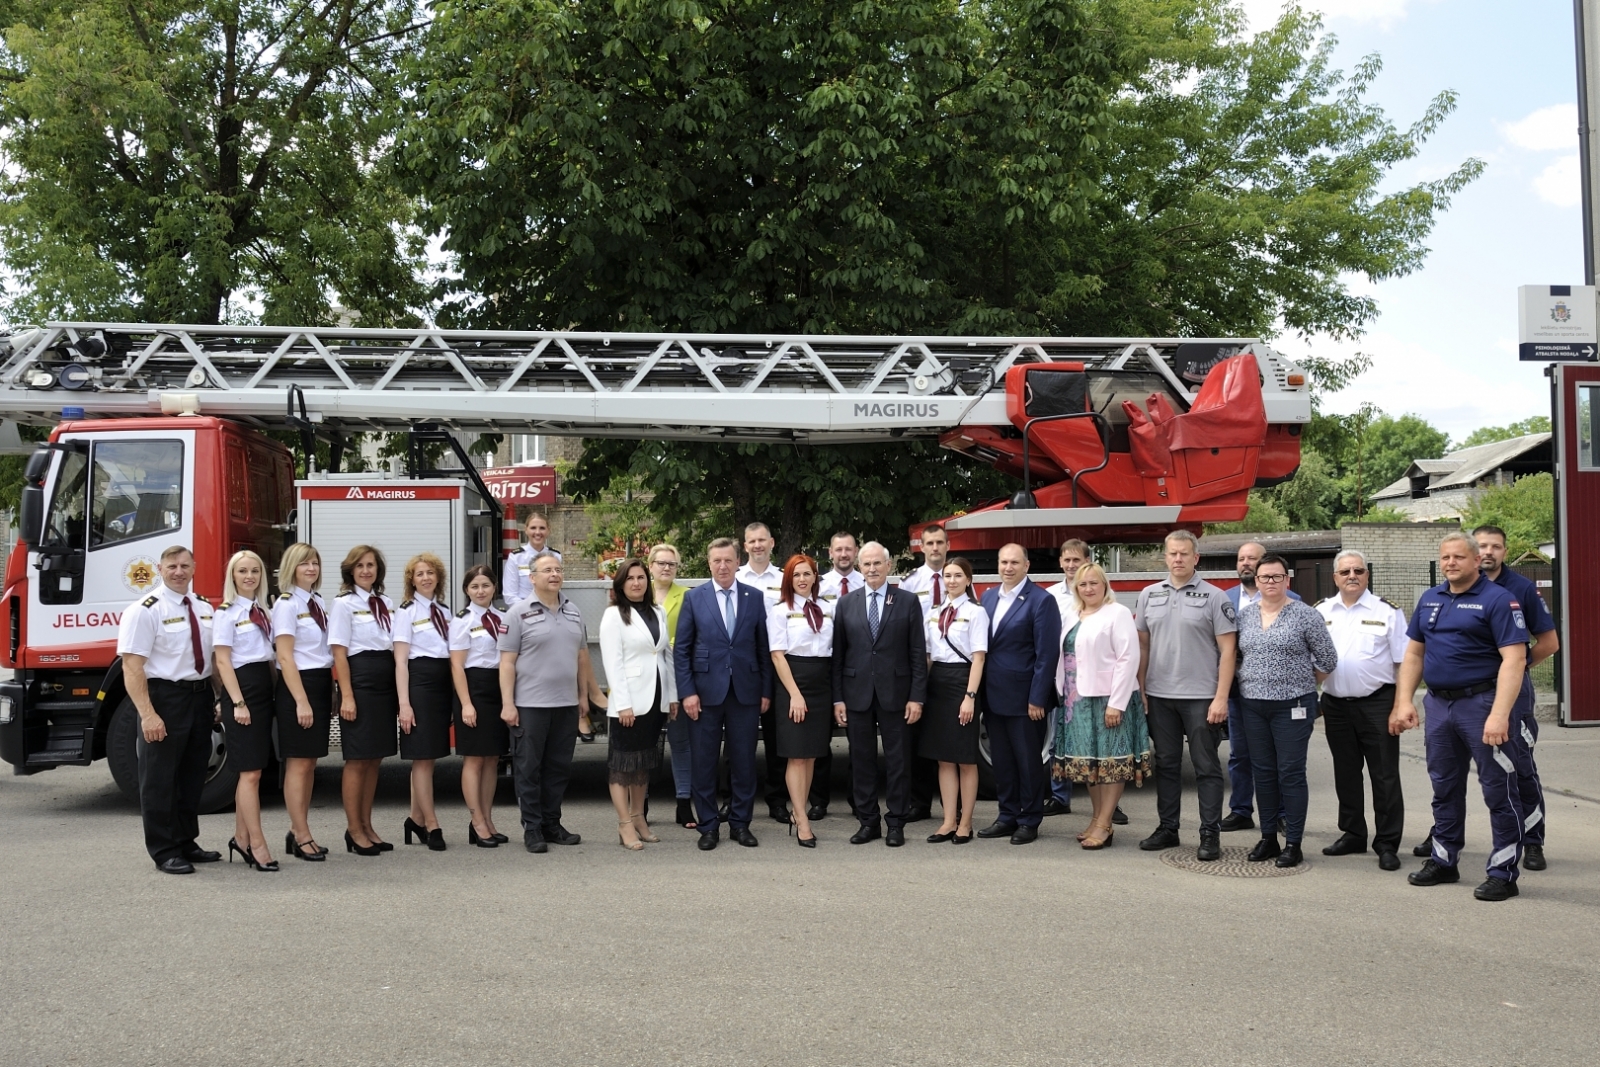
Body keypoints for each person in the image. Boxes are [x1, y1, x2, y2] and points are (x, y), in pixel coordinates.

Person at [1396, 533, 1535, 902]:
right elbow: (1413, 656)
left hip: (1483, 704)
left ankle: (1503, 873)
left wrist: (1499, 714)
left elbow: (1515, 659)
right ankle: (1444, 861)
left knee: (1499, 791)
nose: (1451, 563)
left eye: (1459, 557)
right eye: (1445, 558)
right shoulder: (1430, 599)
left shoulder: (1498, 600)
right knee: (1444, 786)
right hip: (1440, 706)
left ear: (1477, 561)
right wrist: (1403, 701)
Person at [116, 545, 220, 874]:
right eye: (172, 566)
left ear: (194, 568)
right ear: (160, 569)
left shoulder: (204, 607)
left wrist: (217, 697)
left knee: (192, 775)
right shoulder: (145, 610)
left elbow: (213, 659)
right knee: (159, 778)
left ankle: (186, 841)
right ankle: (163, 850)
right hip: (165, 698)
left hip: (200, 697)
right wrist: (148, 714)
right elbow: (132, 667)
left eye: (185, 565)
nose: (179, 571)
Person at [1135, 530, 1237, 862]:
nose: (1178, 559)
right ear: (1165, 557)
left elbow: (1228, 651)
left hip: (1201, 698)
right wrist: (1141, 689)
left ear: (1196, 558)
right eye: (1172, 553)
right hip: (1159, 696)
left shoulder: (1214, 598)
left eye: (1184, 554)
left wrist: (1221, 697)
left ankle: (1210, 833)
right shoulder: (1148, 595)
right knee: (1165, 765)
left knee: (1206, 767)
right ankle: (1168, 829)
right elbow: (1142, 646)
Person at [1234, 555, 1338, 868]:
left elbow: (1328, 659)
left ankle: (1293, 842)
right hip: (1252, 705)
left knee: (1290, 773)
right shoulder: (1245, 616)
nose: (1270, 582)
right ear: (1257, 580)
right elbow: (1237, 657)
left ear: (1286, 580)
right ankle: (1268, 837)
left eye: (1276, 577)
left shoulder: (1305, 615)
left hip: (1293, 705)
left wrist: (1304, 682)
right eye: (1264, 577)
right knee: (1263, 773)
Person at [499, 551, 601, 853]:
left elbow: (582, 658)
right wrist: (508, 703)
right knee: (529, 769)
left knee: (558, 769)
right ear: (532, 578)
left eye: (558, 570)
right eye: (547, 570)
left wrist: (583, 698)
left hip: (566, 705)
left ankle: (551, 823)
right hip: (530, 705)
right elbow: (506, 663)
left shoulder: (573, 612)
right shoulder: (517, 613)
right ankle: (532, 829)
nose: (555, 575)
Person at [674, 538, 772, 850]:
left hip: (745, 691)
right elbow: (683, 650)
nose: (722, 566)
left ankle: (741, 824)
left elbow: (762, 648)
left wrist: (766, 691)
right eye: (716, 561)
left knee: (743, 761)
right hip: (704, 694)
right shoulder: (695, 598)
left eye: (728, 560)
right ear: (709, 563)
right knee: (704, 762)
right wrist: (687, 691)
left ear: (737, 561)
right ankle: (708, 826)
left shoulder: (753, 597)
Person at [1316, 550, 1408, 871]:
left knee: (1384, 775)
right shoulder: (1321, 612)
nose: (1352, 575)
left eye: (1358, 570)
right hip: (1336, 705)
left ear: (1367, 575)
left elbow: (1404, 663)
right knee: (1346, 773)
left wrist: (1402, 704)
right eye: (1345, 572)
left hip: (1378, 703)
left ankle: (1386, 842)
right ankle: (1353, 833)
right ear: (1335, 577)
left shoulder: (1388, 612)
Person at [832, 541, 928, 847]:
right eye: (867, 564)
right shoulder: (846, 604)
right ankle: (868, 821)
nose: (872, 569)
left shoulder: (907, 601)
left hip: (897, 695)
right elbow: (838, 657)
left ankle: (896, 823)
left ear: (888, 566)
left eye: (877, 563)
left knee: (899, 761)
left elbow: (917, 653)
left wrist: (917, 696)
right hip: (856, 693)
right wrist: (838, 698)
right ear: (860, 568)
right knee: (861, 761)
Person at [1051, 563, 1151, 850]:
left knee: (1111, 764)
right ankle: (1096, 819)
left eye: (1094, 583)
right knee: (1089, 764)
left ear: (1104, 585)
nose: (1089, 589)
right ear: (1076, 588)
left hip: (1109, 699)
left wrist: (1116, 704)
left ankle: (1106, 823)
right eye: (1083, 584)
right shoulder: (1072, 613)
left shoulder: (1117, 613)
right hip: (1077, 701)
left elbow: (1128, 658)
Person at [1475, 525, 1555, 871]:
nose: (1488, 552)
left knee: (1520, 766)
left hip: (1514, 696)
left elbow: (1549, 643)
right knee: (1451, 769)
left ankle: (1533, 841)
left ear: (1504, 552)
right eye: (1481, 546)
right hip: (1468, 695)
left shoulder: (1520, 588)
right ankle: (1441, 835)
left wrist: (1517, 668)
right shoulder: (1456, 588)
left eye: (1495, 546)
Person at [976, 543, 1061, 845]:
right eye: (1003, 562)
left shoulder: (1041, 601)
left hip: (1026, 700)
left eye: (1014, 562)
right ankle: (1007, 815)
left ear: (1026, 566)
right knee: (1002, 762)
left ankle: (1029, 819)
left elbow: (1046, 654)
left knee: (1028, 763)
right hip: (994, 697)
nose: (1008, 568)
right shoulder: (987, 597)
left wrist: (1037, 697)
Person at [1222, 541, 1302, 834]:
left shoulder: (1292, 598)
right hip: (1239, 690)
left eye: (1251, 558)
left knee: (1277, 756)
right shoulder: (1225, 598)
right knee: (1240, 754)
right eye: (1241, 558)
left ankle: (1280, 813)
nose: (1245, 563)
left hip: (1278, 694)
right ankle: (1241, 810)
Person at [599, 559, 676, 850]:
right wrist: (622, 704)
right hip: (629, 702)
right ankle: (624, 824)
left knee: (643, 761)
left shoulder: (657, 611)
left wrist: (673, 696)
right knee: (622, 764)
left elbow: (665, 655)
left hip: (655, 699)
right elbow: (613, 663)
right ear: (620, 584)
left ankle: (639, 817)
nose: (636, 583)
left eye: (641, 577)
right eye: (630, 578)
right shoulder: (614, 616)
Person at [328, 545, 397, 857]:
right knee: (357, 760)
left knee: (374, 759)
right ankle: (353, 829)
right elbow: (339, 653)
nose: (366, 570)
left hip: (384, 684)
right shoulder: (343, 604)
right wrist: (347, 696)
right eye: (360, 566)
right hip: (361, 682)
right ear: (350, 571)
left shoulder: (387, 602)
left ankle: (367, 826)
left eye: (371, 565)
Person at [212, 549, 278, 872]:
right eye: (242, 572)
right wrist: (237, 702)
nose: (249, 576)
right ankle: (258, 844)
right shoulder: (226, 612)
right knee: (250, 773)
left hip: (263, 688)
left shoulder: (262, 609)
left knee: (252, 772)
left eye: (255, 571)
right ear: (233, 577)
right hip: (243, 690)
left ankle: (240, 839)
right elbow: (222, 660)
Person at [767, 554, 836, 847]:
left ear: (815, 577)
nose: (802, 580)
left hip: (821, 683)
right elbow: (777, 655)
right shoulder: (780, 610)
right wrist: (795, 694)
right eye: (796, 575)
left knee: (811, 754)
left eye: (807, 574)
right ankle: (802, 821)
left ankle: (801, 810)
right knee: (796, 754)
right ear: (788, 580)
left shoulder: (827, 608)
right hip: (793, 682)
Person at [503, 512, 589, 742]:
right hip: (526, 619)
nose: (537, 532)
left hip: (552, 613)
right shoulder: (516, 557)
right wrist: (530, 612)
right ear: (526, 530)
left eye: (542, 528)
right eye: (533, 528)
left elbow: (556, 588)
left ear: (548, 530)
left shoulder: (555, 556)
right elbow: (509, 593)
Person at [273, 542, 334, 862]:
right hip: (299, 687)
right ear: (291, 568)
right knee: (298, 764)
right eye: (303, 564)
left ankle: (299, 828)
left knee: (310, 763)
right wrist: (301, 701)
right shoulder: (286, 604)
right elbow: (284, 655)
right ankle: (300, 834)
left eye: (315, 562)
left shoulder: (317, 601)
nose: (311, 568)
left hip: (318, 683)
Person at [919, 556, 987, 844]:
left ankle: (966, 822)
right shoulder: (934, 612)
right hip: (938, 685)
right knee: (944, 759)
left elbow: (978, 657)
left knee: (965, 759)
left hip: (963, 683)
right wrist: (920, 692)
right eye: (948, 576)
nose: (952, 580)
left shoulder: (976, 613)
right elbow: (930, 656)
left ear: (968, 580)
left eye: (958, 575)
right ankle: (948, 821)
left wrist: (969, 697)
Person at [394, 553, 454, 852]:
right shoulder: (406, 611)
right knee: (421, 757)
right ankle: (432, 823)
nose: (426, 578)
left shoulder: (444, 611)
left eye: (431, 572)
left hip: (442, 685)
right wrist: (404, 704)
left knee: (428, 758)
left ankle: (415, 819)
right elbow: (401, 662)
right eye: (420, 574)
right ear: (411, 580)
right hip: (420, 684)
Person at [449, 565, 511, 848]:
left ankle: (487, 819)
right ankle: (476, 821)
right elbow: (457, 665)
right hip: (473, 689)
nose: (481, 590)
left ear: (494, 587)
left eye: (485, 585)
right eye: (474, 587)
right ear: (466, 591)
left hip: (497, 689)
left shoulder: (502, 618)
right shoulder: (461, 620)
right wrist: (465, 704)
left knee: (491, 759)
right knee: (474, 759)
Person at [736, 521, 792, 824]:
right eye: (751, 541)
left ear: (772, 543)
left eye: (762, 540)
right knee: (736, 737)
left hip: (775, 663)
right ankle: (731, 798)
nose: (757, 545)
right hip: (742, 664)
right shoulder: (734, 577)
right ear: (744, 546)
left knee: (776, 737)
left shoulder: (784, 579)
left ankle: (776, 799)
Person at [895, 523, 950, 822]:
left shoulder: (959, 579)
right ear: (922, 546)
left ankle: (951, 806)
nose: (935, 548)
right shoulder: (909, 583)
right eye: (929, 543)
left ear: (947, 546)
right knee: (914, 739)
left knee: (946, 736)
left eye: (940, 542)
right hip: (919, 666)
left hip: (949, 667)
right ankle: (919, 803)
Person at [650, 543, 696, 828]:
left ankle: (683, 804)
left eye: (672, 564)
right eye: (661, 563)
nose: (666, 568)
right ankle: (638, 806)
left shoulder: (688, 596)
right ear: (650, 564)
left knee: (681, 744)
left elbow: (693, 638)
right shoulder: (635, 592)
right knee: (644, 745)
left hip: (678, 678)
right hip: (645, 680)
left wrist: (671, 647)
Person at [1041, 538, 1089, 818]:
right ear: (1060, 562)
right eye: (1067, 560)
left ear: (1086, 561)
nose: (1071, 565)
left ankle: (1108, 802)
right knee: (1058, 739)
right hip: (1062, 676)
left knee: (1095, 739)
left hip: (1092, 676)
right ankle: (1060, 796)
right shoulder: (1050, 596)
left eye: (1077, 560)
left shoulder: (1098, 590)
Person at [818, 531, 863, 603]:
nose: (843, 555)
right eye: (839, 550)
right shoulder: (819, 586)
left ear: (856, 551)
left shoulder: (866, 585)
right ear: (831, 552)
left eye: (848, 549)